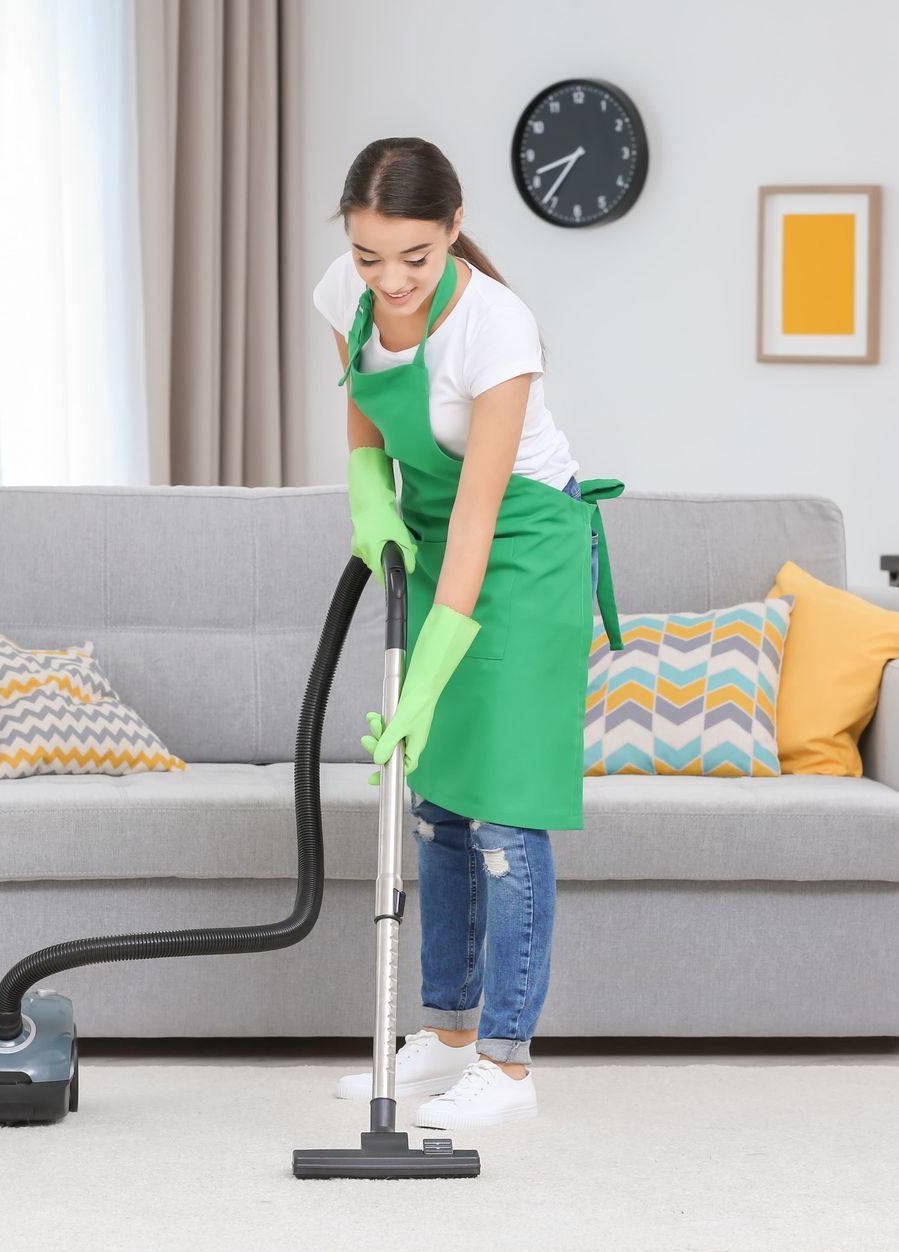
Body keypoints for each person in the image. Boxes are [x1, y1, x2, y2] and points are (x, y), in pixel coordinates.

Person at [312, 137, 623, 1131]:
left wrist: (427, 676)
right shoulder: (348, 292)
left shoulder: (498, 328)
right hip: (436, 527)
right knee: (439, 806)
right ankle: (447, 1039)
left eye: (414, 256)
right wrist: (369, 499)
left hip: (524, 543)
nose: (390, 280)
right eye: (369, 255)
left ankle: (508, 1065)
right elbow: (366, 424)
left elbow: (484, 510)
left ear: (453, 228)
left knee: (504, 810)